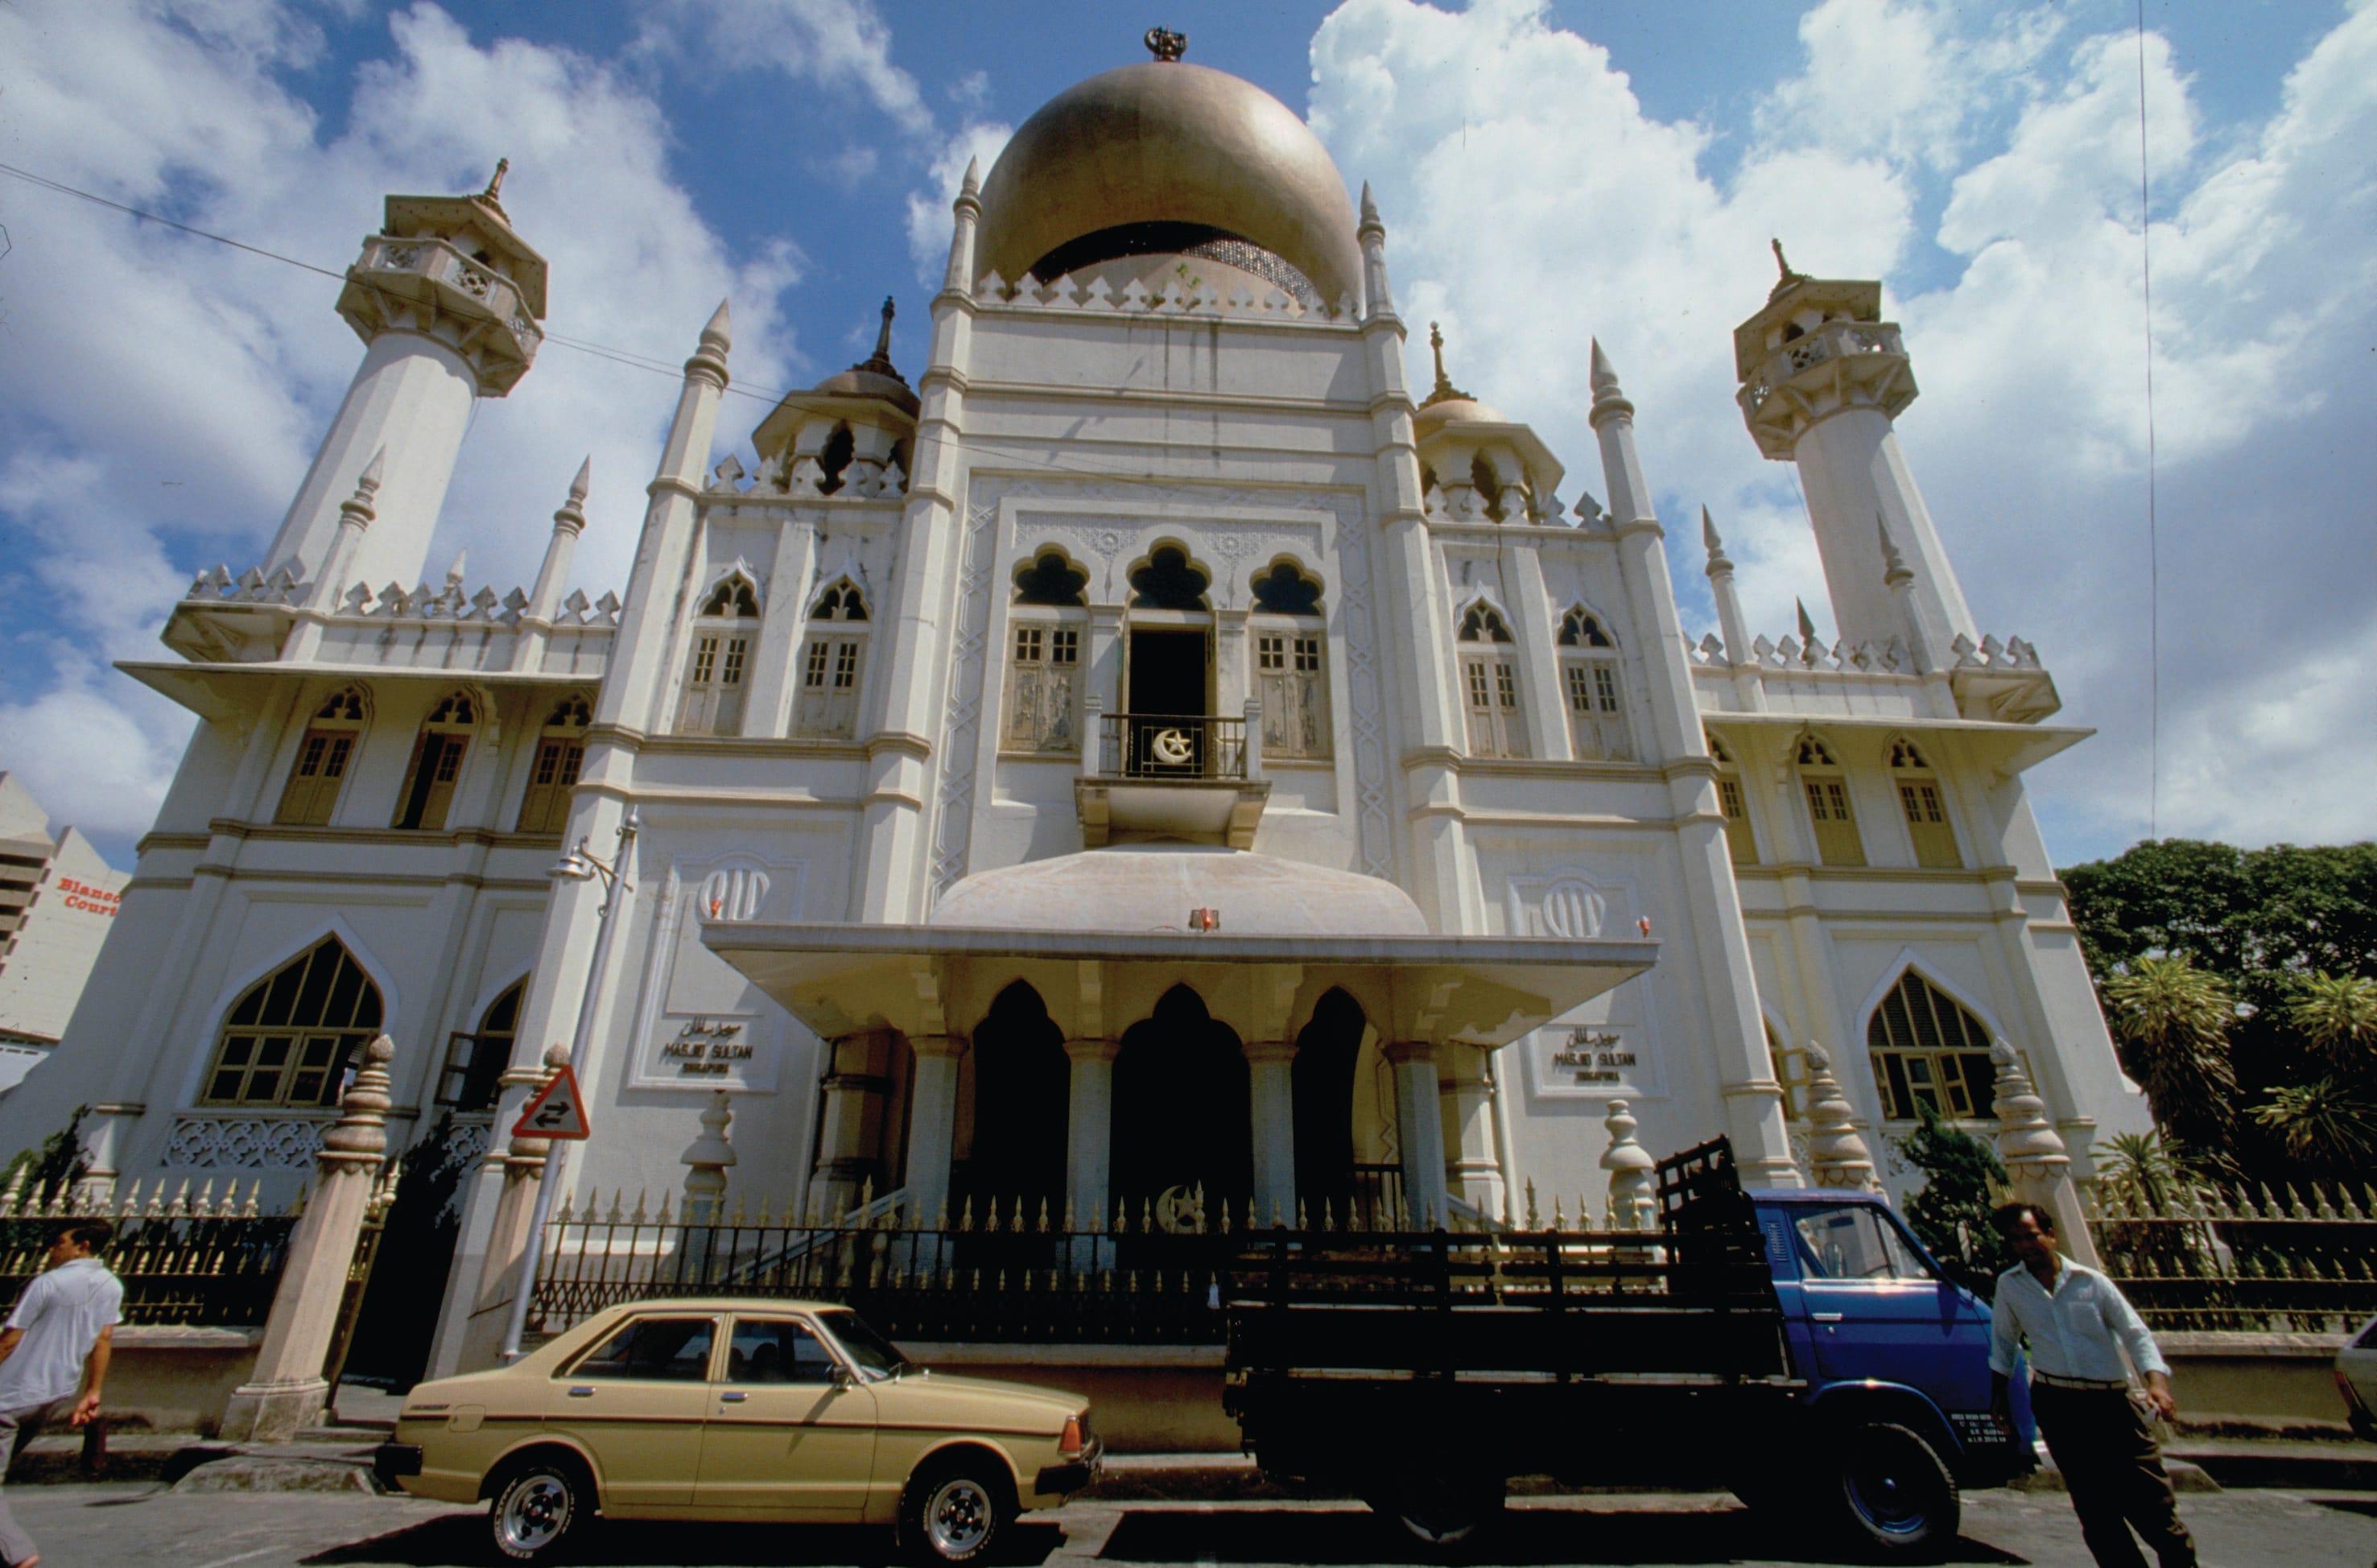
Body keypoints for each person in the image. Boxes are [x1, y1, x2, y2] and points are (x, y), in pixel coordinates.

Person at [1988, 1202, 2195, 1568]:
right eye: (2016, 1240)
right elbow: (2004, 1346)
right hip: (2059, 1405)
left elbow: (2136, 1335)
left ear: (2051, 1235)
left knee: (2154, 1509)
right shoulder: (2010, 1286)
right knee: (2097, 1515)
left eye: (2032, 1235)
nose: (2026, 1245)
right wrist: (1999, 1399)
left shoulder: (2092, 1283)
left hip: (2113, 1405)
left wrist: (2158, 1385)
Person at [0, 1220, 123, 1568]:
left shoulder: (47, 1283)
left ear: (82, 1245)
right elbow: (104, 1339)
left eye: (59, 1243)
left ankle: (18, 1554)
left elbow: (10, 1339)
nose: (53, 1250)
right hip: (53, 1393)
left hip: (10, 1393)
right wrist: (92, 1392)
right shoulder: (110, 1286)